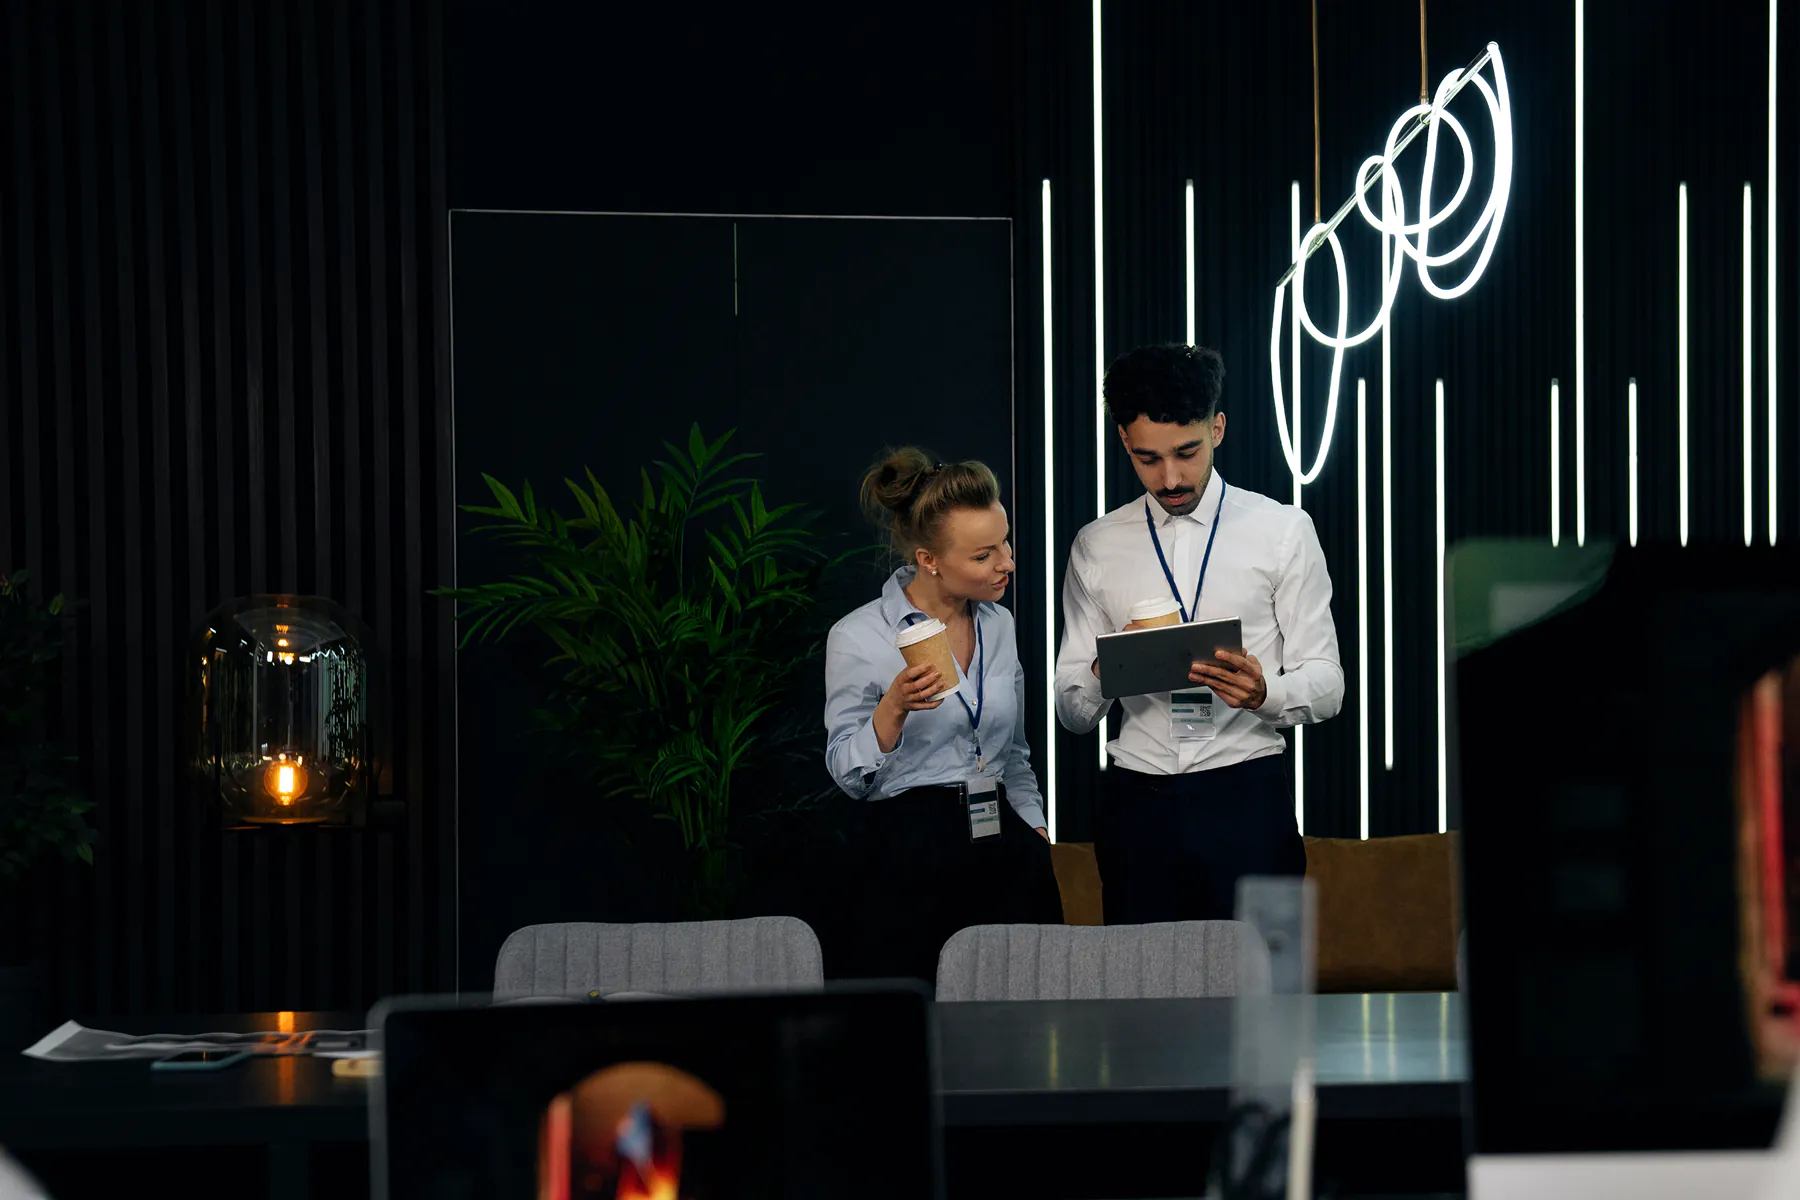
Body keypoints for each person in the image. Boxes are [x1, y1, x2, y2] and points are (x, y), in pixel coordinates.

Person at [1055, 344, 1343, 924]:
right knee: (1137, 979)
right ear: (1123, 441)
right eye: (1147, 458)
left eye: (1186, 452)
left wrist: (1266, 693)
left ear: (1217, 429)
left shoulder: (1283, 530)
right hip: (1137, 804)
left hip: (1247, 797)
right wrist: (1109, 666)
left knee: (1263, 977)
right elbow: (1072, 711)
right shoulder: (1096, 544)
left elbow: (1328, 683)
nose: (1170, 478)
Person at [825, 448, 1064, 986]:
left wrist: (1035, 831)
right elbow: (847, 773)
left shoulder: (999, 624)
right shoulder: (859, 636)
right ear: (928, 558)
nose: (1007, 563)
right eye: (984, 555)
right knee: (922, 1016)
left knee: (1029, 1005)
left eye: (1005, 542)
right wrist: (893, 708)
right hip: (911, 854)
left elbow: (1014, 752)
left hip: (1004, 845)